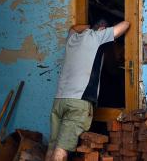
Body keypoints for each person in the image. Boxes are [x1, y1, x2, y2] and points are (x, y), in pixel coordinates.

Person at [45, 19, 130, 161]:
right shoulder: (97, 37)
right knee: (61, 151)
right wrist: (100, 31)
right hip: (78, 102)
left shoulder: (72, 38)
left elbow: (73, 27)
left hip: (59, 100)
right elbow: (125, 25)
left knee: (52, 147)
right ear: (102, 29)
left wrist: (88, 27)